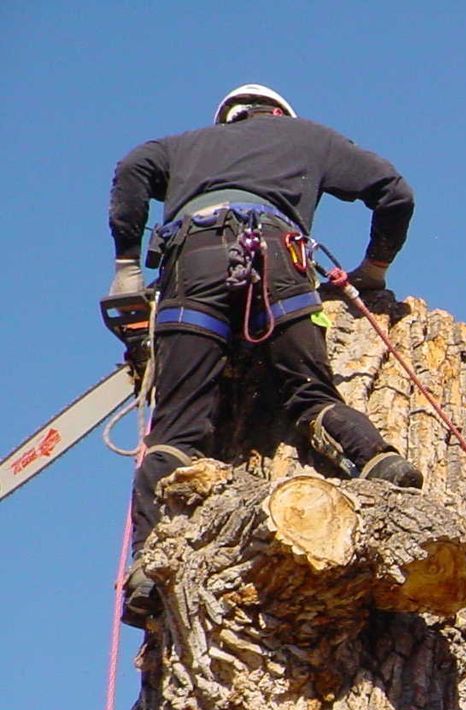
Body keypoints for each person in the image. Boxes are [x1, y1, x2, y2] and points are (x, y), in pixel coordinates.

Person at [106, 84, 422, 628]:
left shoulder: (182, 146)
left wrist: (128, 266)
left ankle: (150, 566)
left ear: (227, 119)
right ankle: (378, 460)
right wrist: (374, 271)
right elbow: (396, 193)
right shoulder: (310, 138)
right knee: (310, 396)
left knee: (176, 434)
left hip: (192, 265)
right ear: (279, 115)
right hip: (280, 260)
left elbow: (132, 169)